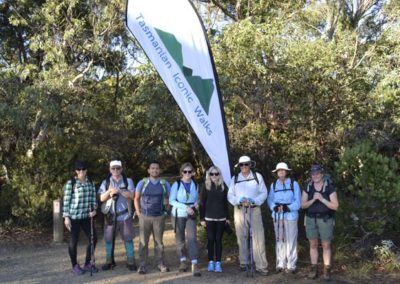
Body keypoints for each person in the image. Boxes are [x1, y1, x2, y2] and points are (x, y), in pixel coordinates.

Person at [227, 155, 269, 276]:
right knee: (241, 237)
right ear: (239, 166)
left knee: (258, 237)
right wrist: (239, 200)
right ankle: (244, 262)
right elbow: (230, 195)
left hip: (254, 209)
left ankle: (261, 266)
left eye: (246, 164)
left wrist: (253, 201)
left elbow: (264, 193)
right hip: (240, 210)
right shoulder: (235, 178)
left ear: (250, 164)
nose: (244, 167)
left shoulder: (257, 176)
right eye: (242, 165)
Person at [301, 164, 339, 281]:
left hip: (326, 219)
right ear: (311, 176)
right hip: (311, 219)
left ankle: (326, 270)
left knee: (326, 245)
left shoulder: (329, 187)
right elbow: (302, 205)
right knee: (313, 244)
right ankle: (314, 269)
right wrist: (313, 199)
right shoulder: (308, 187)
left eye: (317, 173)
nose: (315, 176)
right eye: (313, 174)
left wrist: (322, 199)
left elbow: (335, 206)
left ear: (321, 174)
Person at [98, 160, 136, 271]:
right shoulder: (105, 182)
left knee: (128, 239)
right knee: (109, 240)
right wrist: (110, 192)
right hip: (110, 216)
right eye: (113, 168)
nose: (115, 170)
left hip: (124, 215)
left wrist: (120, 191)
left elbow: (133, 196)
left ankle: (131, 261)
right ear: (110, 170)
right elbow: (101, 198)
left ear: (122, 169)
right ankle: (109, 261)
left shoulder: (128, 181)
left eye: (118, 168)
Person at [134, 161, 171, 274]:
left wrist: (166, 210)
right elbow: (136, 198)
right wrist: (138, 213)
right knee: (143, 242)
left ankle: (160, 263)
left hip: (159, 217)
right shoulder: (142, 183)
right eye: (152, 168)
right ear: (148, 170)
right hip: (145, 217)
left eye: (157, 168)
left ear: (159, 170)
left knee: (159, 242)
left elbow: (170, 198)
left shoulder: (164, 183)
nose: (155, 170)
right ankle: (142, 265)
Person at [63, 160, 98, 275]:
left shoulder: (91, 182)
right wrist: (66, 217)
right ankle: (74, 265)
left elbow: (93, 199)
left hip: (87, 217)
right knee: (73, 242)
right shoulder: (71, 183)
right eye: (79, 170)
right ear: (76, 171)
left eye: (83, 169)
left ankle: (87, 263)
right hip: (74, 217)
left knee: (93, 239)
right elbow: (66, 201)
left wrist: (94, 210)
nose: (81, 172)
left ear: (86, 170)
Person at [267, 162, 301, 274]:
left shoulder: (293, 184)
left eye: (283, 170)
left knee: (291, 240)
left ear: (286, 172)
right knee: (280, 239)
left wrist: (288, 207)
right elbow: (270, 200)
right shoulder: (273, 185)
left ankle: (291, 264)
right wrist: (274, 207)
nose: (281, 172)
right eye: (279, 170)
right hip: (278, 216)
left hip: (291, 216)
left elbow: (298, 202)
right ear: (276, 172)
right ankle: (281, 263)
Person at [169, 162, 201, 277]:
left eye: (189, 171)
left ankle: (194, 263)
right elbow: (171, 201)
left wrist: (196, 205)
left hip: (191, 214)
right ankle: (182, 260)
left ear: (192, 172)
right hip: (178, 214)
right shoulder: (176, 184)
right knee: (180, 238)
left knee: (192, 238)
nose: (187, 174)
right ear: (181, 172)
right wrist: (186, 207)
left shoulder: (195, 184)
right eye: (185, 171)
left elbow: (197, 199)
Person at [200, 166, 229, 273]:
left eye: (216, 174)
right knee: (211, 240)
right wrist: (202, 218)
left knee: (218, 240)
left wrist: (228, 218)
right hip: (209, 218)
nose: (214, 176)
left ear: (219, 175)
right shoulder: (205, 186)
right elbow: (202, 203)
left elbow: (226, 203)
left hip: (221, 218)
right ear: (209, 175)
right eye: (212, 174)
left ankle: (218, 263)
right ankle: (210, 262)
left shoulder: (223, 187)